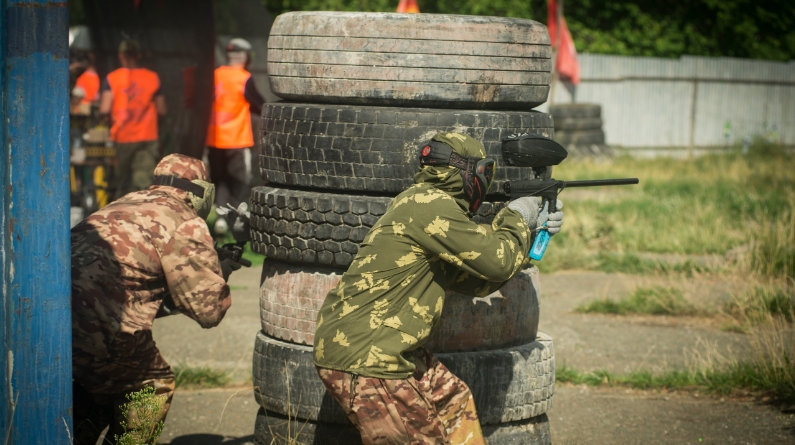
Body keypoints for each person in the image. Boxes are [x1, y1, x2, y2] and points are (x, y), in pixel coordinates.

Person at [312, 132, 564, 444]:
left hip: (381, 348)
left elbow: (481, 280)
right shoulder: (429, 205)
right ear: (469, 174)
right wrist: (517, 216)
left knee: (453, 402)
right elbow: (498, 261)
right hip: (371, 358)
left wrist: (533, 234)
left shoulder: (422, 204)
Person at [71, 154, 243, 444]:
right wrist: (219, 276)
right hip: (101, 324)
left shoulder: (124, 203)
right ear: (202, 191)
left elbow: (133, 276)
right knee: (152, 385)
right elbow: (209, 312)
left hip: (57, 317)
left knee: (104, 380)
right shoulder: (184, 219)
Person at [205, 37, 265, 234]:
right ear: (245, 57)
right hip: (236, 140)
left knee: (220, 180)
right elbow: (258, 104)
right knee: (240, 181)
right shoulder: (243, 77)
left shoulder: (214, 75)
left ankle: (221, 219)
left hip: (214, 140)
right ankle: (237, 223)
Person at [100, 39, 167, 199]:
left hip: (121, 137)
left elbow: (104, 109)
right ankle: (141, 218)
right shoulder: (153, 77)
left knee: (119, 182)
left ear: (120, 55)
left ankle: (116, 218)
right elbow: (163, 110)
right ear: (138, 56)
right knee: (142, 183)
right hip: (147, 136)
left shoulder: (111, 78)